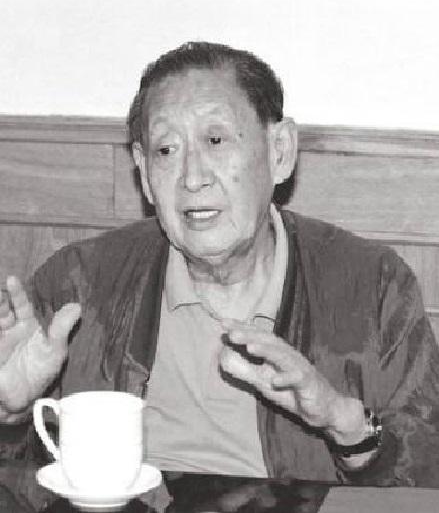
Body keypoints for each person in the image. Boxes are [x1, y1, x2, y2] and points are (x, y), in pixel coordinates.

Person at [1, 42, 439, 499]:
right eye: (167, 150)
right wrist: (9, 417)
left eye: (215, 140)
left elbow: (427, 473)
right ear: (145, 175)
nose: (193, 177)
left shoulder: (372, 286)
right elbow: (26, 483)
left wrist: (347, 429)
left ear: (279, 151)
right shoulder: (78, 284)